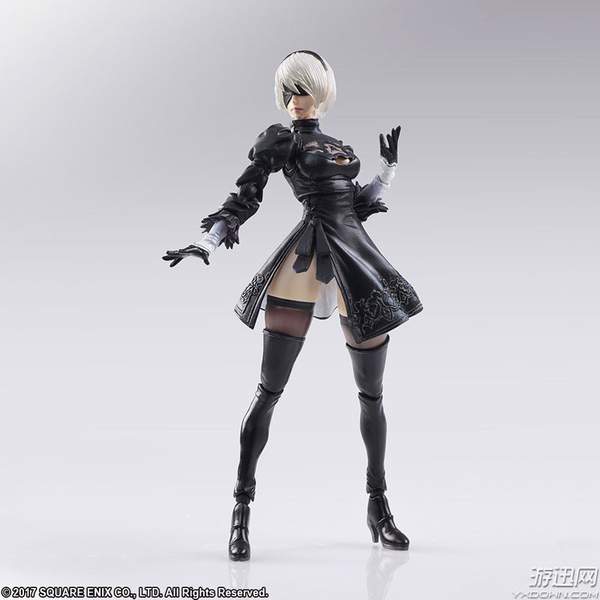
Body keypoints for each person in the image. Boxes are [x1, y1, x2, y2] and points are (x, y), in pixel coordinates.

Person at [163, 50, 423, 561]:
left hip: (355, 259)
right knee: (269, 390)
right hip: (304, 261)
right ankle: (241, 511)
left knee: (372, 395)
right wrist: (208, 241)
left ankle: (379, 506)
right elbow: (248, 193)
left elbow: (354, 204)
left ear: (320, 92)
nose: (295, 99)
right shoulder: (284, 140)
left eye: (303, 89)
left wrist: (388, 171)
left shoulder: (339, 148)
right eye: (288, 91)